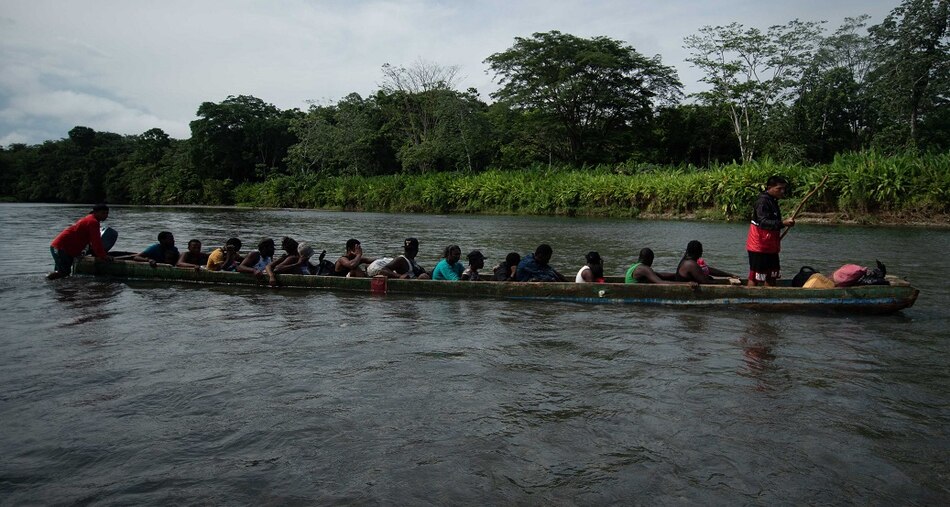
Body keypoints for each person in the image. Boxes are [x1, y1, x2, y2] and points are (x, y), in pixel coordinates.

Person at [747, 175, 795, 287]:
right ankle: (750, 297)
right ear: (769, 188)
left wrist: (784, 224)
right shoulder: (762, 202)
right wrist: (783, 223)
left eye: (783, 189)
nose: (782, 191)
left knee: (772, 274)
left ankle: (768, 296)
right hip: (759, 246)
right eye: (779, 189)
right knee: (755, 276)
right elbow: (763, 222)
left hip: (771, 245)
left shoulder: (773, 201)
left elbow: (773, 223)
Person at [48, 203, 113, 279]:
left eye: (107, 213)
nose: (105, 215)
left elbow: (90, 241)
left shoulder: (90, 219)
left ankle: (51, 283)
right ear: (95, 212)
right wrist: (103, 256)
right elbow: (96, 242)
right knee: (63, 273)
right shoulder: (93, 222)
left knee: (61, 273)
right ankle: (46, 281)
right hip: (61, 247)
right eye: (103, 213)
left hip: (62, 247)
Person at [625, 248, 696, 286]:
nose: (652, 262)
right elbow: (660, 282)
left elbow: (660, 275)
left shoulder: (634, 266)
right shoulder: (644, 269)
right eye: (652, 260)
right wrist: (686, 284)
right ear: (649, 259)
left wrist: (676, 275)